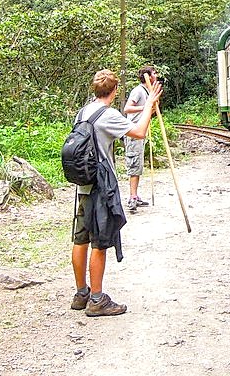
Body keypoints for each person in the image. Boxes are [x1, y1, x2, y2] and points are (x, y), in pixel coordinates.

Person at [70, 68, 162, 317]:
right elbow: (139, 132)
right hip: (101, 186)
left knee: (80, 240)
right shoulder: (107, 115)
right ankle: (97, 300)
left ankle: (81, 294)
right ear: (114, 91)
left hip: (83, 185)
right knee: (99, 243)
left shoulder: (83, 111)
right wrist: (150, 104)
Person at [122, 65, 158, 213]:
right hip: (133, 132)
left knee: (138, 165)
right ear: (147, 76)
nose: (156, 75)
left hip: (140, 132)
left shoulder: (147, 91)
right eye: (154, 73)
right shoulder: (138, 91)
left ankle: (135, 195)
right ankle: (132, 197)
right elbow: (127, 108)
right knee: (134, 164)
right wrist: (145, 108)